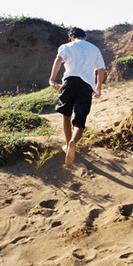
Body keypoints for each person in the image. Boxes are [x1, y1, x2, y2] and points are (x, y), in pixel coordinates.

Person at [49, 27, 106, 165]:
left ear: (71, 37)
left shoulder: (66, 46)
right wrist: (98, 88)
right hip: (86, 86)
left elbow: (58, 60)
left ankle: (68, 145)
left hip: (69, 82)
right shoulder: (94, 49)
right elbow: (101, 69)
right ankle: (74, 141)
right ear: (85, 37)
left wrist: (52, 79)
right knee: (80, 120)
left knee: (66, 114)